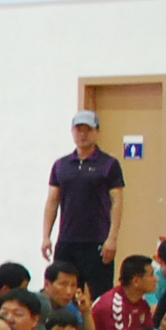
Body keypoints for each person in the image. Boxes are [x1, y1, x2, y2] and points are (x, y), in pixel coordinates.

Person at [39, 110, 124, 296]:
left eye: (88, 130)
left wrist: (112, 239)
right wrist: (46, 236)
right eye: (78, 130)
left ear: (97, 132)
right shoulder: (61, 165)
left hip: (97, 241)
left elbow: (117, 202)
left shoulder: (109, 164)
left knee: (100, 293)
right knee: (62, 292)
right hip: (67, 240)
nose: (83, 135)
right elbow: (52, 201)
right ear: (72, 132)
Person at [89, 255, 156, 330]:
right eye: (151, 275)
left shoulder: (142, 302)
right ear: (136, 281)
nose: (156, 279)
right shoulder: (113, 304)